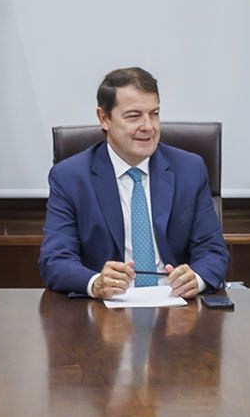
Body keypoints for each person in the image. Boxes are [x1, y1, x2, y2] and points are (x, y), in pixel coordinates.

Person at [39, 66, 227, 301]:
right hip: (105, 311)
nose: (148, 126)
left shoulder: (189, 169)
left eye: (154, 114)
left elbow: (213, 251)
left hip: (177, 307)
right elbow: (55, 260)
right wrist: (96, 283)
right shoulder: (70, 177)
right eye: (134, 116)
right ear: (104, 118)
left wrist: (196, 278)